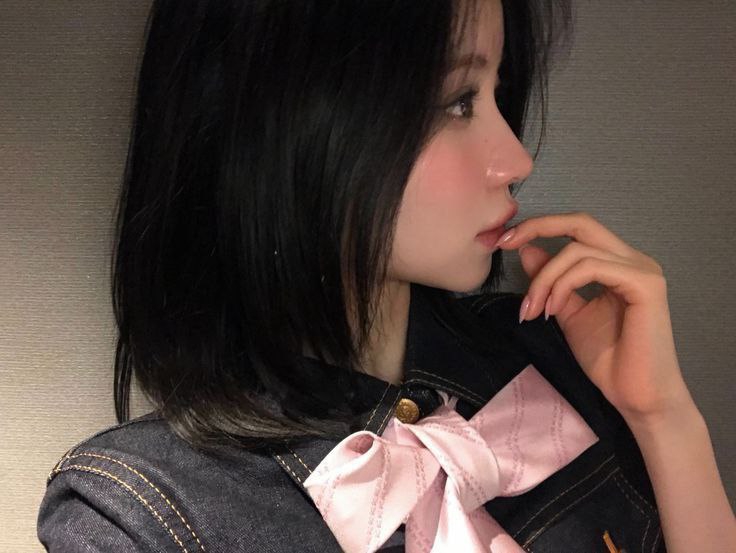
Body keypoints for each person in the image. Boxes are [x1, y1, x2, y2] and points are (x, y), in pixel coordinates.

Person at [37, 0, 735, 551]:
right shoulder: (143, 515)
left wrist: (664, 417)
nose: (517, 159)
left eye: (498, 92)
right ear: (293, 122)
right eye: (458, 100)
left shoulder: (552, 348)